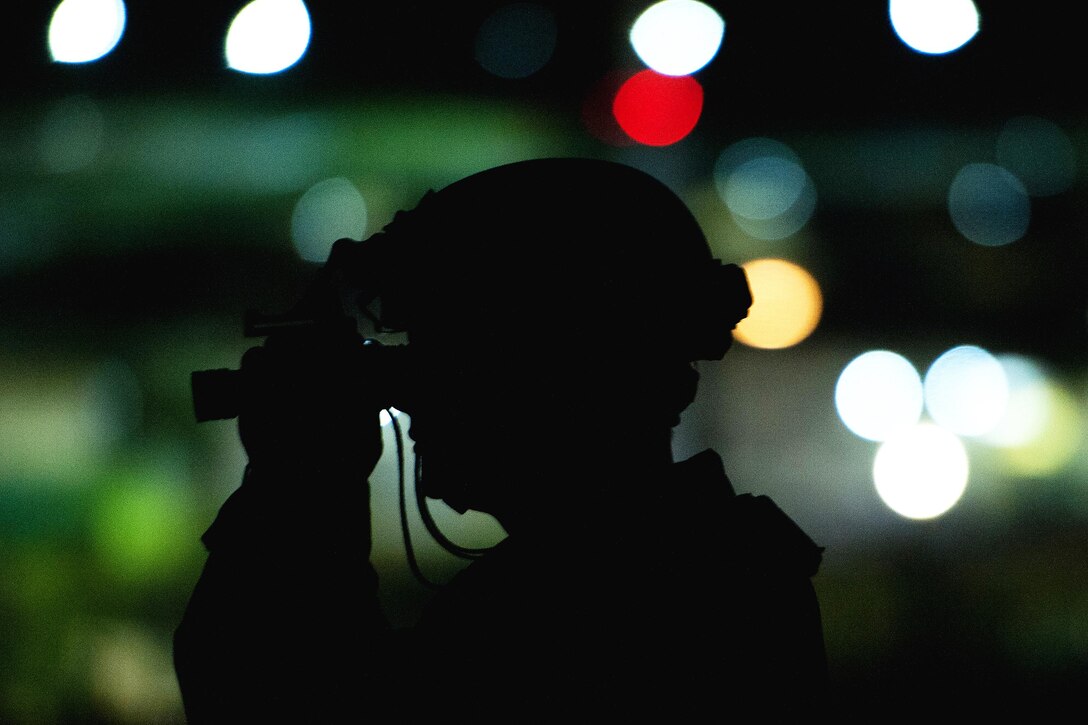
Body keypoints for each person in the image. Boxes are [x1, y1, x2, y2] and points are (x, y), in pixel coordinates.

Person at [173, 158, 828, 722]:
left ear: (540, 370)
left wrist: (299, 481)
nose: (414, 387)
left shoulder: (572, 618)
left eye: (443, 348)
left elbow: (261, 693)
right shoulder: (715, 570)